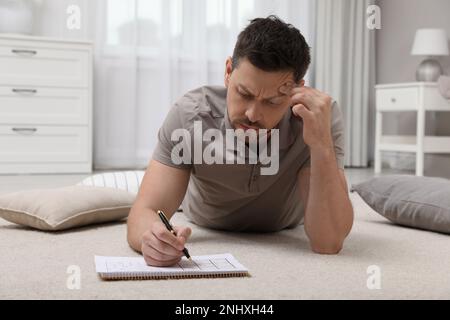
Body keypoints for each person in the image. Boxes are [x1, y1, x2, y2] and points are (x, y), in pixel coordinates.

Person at [127, 16, 354, 267]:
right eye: (244, 94)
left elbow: (329, 242)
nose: (253, 115)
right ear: (227, 72)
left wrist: (321, 144)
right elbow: (143, 214)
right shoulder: (190, 115)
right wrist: (153, 239)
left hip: (287, 223)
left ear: (296, 90)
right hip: (205, 218)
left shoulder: (318, 117)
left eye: (272, 102)